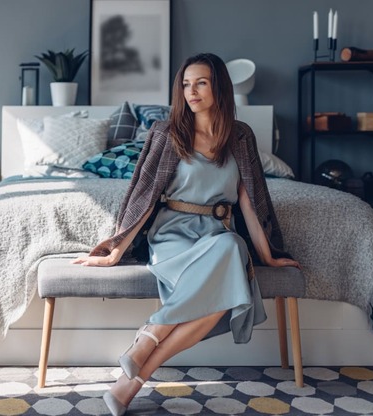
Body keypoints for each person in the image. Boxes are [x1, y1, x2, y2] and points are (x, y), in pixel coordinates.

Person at [73, 53, 300, 416]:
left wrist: (269, 254)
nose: (191, 91)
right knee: (224, 283)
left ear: (219, 87)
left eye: (201, 83)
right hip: (173, 236)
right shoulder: (167, 132)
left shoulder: (240, 137)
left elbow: (251, 202)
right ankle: (142, 352)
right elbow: (144, 196)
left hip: (216, 235)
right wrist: (116, 249)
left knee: (230, 248)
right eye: (185, 84)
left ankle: (137, 365)